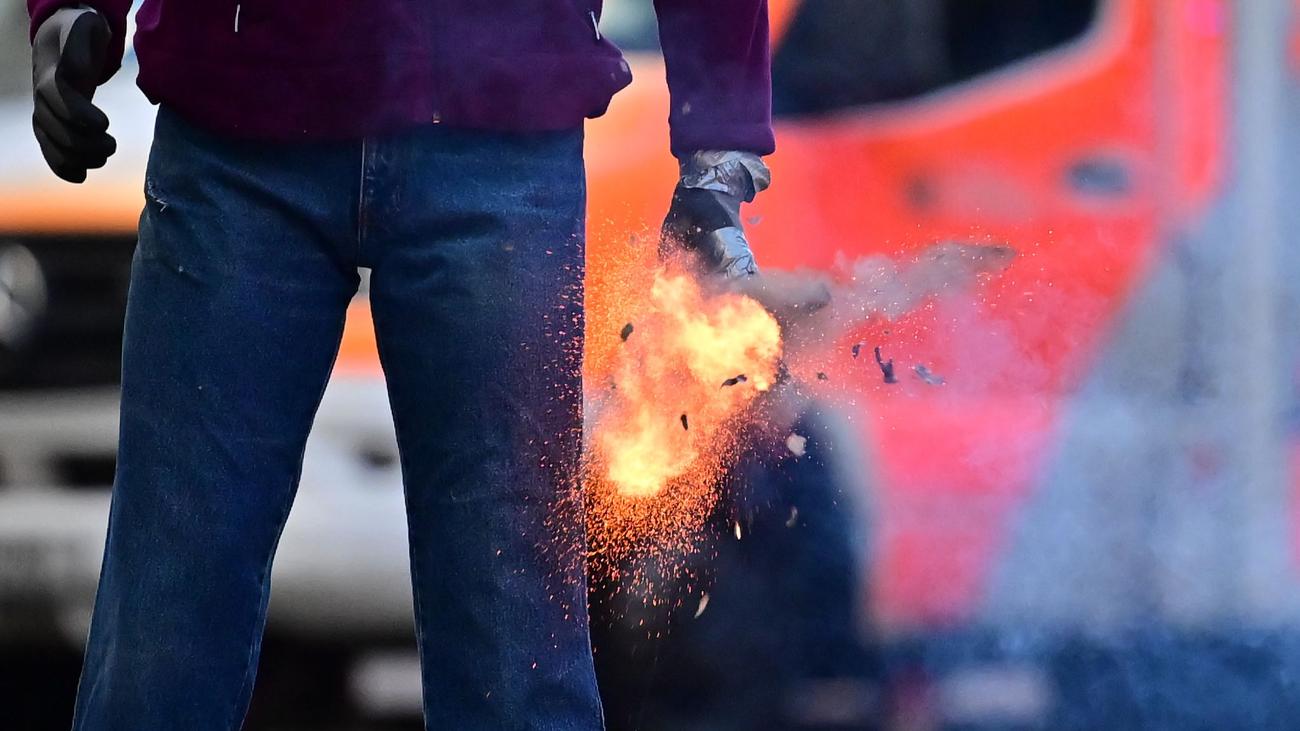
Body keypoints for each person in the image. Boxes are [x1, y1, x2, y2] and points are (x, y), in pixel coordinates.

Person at [27, 1, 774, 729]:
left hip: (485, 125)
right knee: (169, 609)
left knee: (509, 621)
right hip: (246, 128)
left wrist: (720, 147)